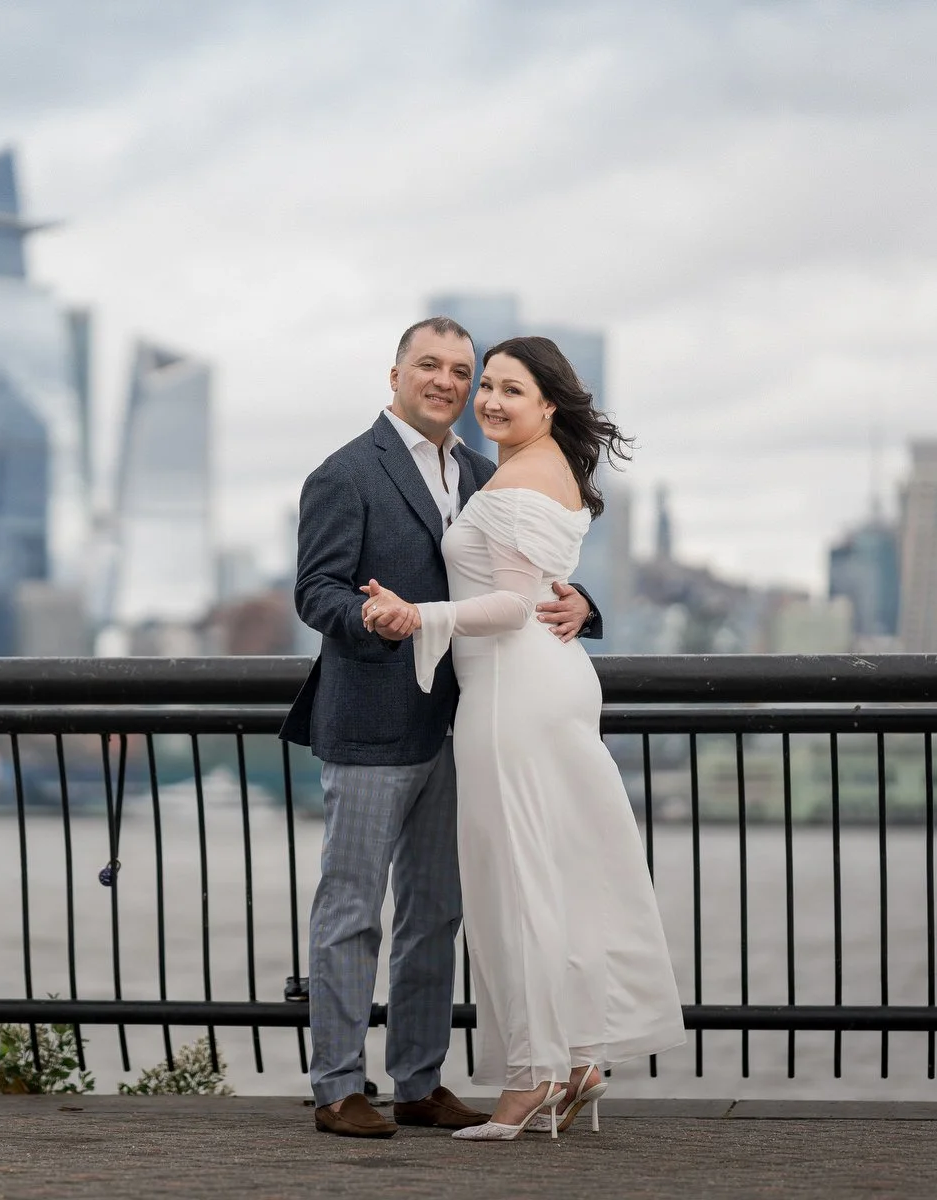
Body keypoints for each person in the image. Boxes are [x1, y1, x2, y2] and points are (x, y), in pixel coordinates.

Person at [280, 318, 601, 1139]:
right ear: (394, 375)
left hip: (470, 721)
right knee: (352, 909)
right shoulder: (344, 473)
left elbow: (522, 577)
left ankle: (418, 1083)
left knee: (436, 914)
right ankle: (338, 1088)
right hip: (373, 723)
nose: (449, 382)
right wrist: (374, 618)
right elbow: (316, 591)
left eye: (463, 370)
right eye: (430, 365)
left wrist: (584, 603)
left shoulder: (489, 472)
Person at [361, 335, 686, 1141]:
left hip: (513, 691)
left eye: (512, 389)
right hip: (544, 682)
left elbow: (510, 606)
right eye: (489, 385)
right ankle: (575, 1063)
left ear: (548, 404)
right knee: (554, 877)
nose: (490, 401)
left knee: (515, 888)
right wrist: (579, 600)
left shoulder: (516, 476)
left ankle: (529, 1078)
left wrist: (416, 614)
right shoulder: (540, 466)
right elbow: (537, 584)